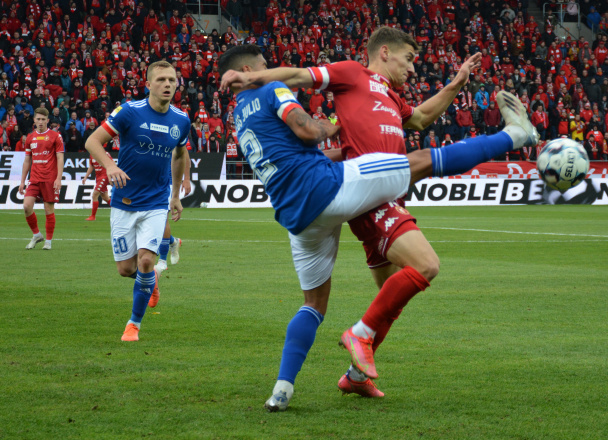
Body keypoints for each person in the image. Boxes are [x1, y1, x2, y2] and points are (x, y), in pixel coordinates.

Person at [219, 43, 538, 411]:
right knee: (420, 161)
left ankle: (283, 389)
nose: (267, 69)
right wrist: (330, 126)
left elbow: (303, 151)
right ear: (247, 69)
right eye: (261, 66)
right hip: (328, 189)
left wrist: (455, 84)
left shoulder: (240, 115)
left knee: (314, 305)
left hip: (298, 215)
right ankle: (515, 136)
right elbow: (306, 130)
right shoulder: (273, 87)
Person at [84, 61, 192, 342]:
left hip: (156, 203)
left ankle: (133, 324)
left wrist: (176, 195)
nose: (167, 84)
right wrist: (109, 166)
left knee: (146, 261)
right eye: (161, 80)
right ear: (148, 84)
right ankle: (150, 281)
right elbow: (93, 141)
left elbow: (180, 155)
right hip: (124, 202)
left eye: (172, 80)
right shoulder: (129, 112)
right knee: (126, 269)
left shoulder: (181, 120)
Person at [19, 108, 64, 250]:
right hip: (34, 178)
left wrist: (58, 178)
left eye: (43, 119)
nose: (40, 122)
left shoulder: (55, 136)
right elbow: (27, 160)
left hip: (49, 178)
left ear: (47, 120)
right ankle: (37, 234)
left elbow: (60, 157)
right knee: (26, 206)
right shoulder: (30, 137)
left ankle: (48, 241)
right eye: (38, 119)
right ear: (34, 120)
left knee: (48, 209)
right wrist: (22, 181)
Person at [81, 153, 112, 221]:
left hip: (104, 176)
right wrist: (85, 177)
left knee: (94, 195)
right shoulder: (92, 154)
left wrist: (110, 176)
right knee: (105, 197)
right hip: (98, 178)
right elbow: (91, 166)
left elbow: (111, 164)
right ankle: (119, 210)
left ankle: (93, 216)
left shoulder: (105, 153)